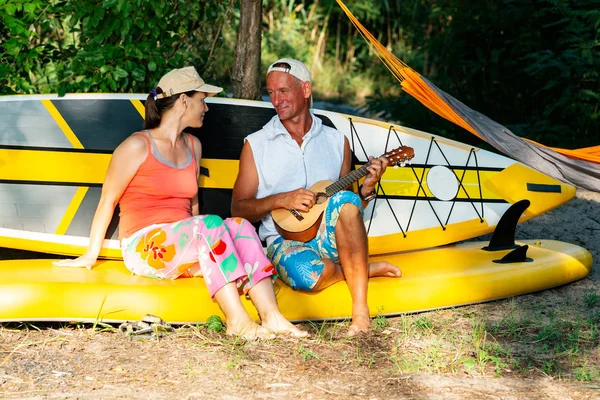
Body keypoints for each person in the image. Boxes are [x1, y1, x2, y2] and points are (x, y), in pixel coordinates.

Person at [53, 66, 307, 340]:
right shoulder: (137, 147)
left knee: (241, 226)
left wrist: (210, 236)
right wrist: (90, 255)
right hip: (144, 246)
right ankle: (237, 322)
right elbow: (107, 202)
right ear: (184, 101)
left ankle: (272, 317)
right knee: (208, 225)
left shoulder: (193, 146)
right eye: (203, 100)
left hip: (187, 241)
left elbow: (193, 208)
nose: (206, 108)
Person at [231, 58, 401, 337]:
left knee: (347, 203)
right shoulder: (256, 144)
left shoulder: (337, 141)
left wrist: (367, 188)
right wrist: (280, 200)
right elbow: (238, 208)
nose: (276, 99)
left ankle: (360, 313)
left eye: (283, 91)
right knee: (309, 276)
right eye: (271, 92)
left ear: (306, 90)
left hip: (329, 239)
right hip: (283, 241)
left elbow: (345, 207)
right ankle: (361, 269)